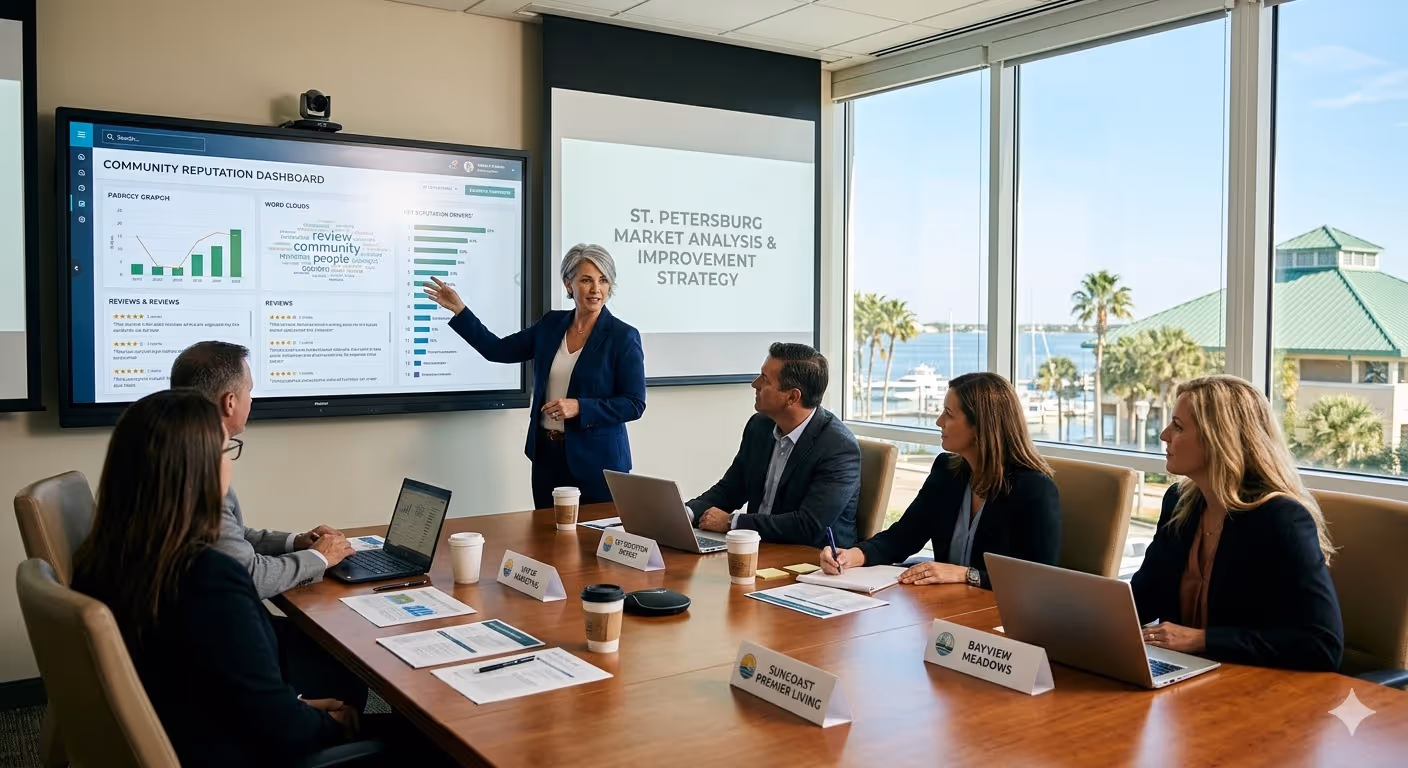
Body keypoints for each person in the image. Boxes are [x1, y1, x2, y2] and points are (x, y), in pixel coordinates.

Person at [71, 390, 353, 767]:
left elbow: (212, 683)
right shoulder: (207, 578)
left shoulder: (102, 558)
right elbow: (280, 729)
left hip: (186, 732)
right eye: (226, 451)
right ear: (198, 468)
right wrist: (335, 725)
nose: (230, 465)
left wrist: (295, 705)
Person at [1131, 375, 1343, 671]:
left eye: (1178, 426)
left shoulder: (1282, 519)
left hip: (1254, 688)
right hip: (1184, 682)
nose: (1165, 434)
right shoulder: (1179, 503)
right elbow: (1143, 599)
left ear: (1218, 439)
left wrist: (1202, 640)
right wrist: (1079, 621)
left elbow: (1322, 645)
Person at [423, 243, 646, 509]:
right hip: (547, 459)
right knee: (547, 542)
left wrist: (579, 407)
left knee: (592, 546)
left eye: (603, 280)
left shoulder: (623, 336)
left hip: (598, 464)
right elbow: (496, 350)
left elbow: (634, 403)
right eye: (586, 280)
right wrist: (461, 311)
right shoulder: (551, 325)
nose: (596, 289)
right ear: (568, 284)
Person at [822, 372, 1060, 589]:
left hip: (1000, 617)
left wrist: (967, 575)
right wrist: (853, 555)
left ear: (981, 427)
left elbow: (1038, 578)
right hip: (945, 607)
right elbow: (903, 537)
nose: (938, 421)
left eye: (948, 414)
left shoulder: (1034, 488)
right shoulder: (946, 471)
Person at [170, 341, 353, 599]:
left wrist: (296, 542)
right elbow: (249, 576)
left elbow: (229, 538)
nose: (252, 399)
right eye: (250, 390)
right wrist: (319, 557)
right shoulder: (198, 474)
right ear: (230, 402)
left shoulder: (167, 455)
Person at [687, 343, 860, 549]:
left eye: (765, 379)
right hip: (761, 548)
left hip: (812, 559)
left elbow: (808, 525)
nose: (755, 384)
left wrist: (731, 523)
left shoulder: (838, 448)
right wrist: (685, 513)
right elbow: (731, 489)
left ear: (792, 397)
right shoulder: (759, 426)